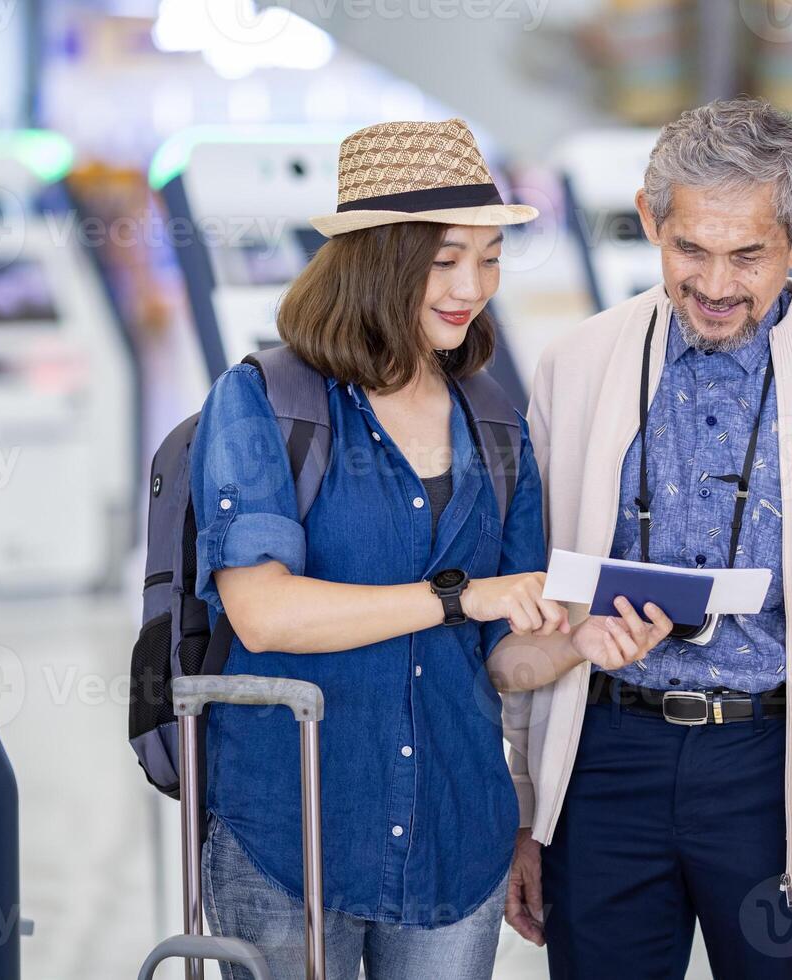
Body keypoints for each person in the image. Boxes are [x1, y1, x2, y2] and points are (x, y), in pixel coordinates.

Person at [488, 97, 792, 977]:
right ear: (651, 219)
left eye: (749, 254)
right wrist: (527, 813)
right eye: (690, 248)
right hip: (605, 764)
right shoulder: (575, 367)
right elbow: (530, 602)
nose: (717, 283)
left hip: (782, 768)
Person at [189, 118, 568, 980]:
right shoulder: (266, 403)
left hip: (456, 829)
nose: (472, 285)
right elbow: (265, 611)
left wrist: (582, 636)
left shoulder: (498, 421)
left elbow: (502, 658)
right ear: (377, 258)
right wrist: (456, 596)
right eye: (443, 260)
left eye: (490, 257)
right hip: (292, 828)